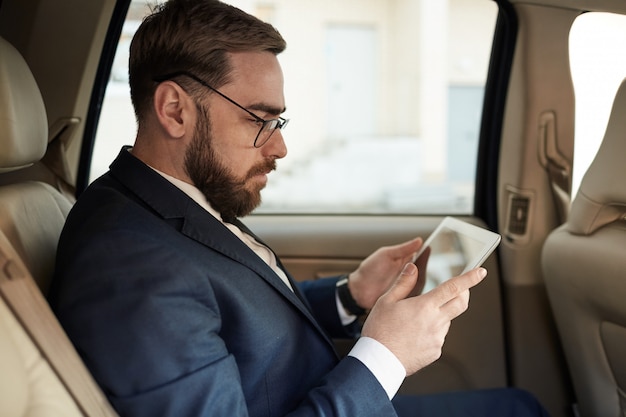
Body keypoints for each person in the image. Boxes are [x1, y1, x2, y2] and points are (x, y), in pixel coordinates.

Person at [49, 1, 549, 416]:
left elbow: (236, 314)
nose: (280, 148)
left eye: (279, 121)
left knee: (521, 405)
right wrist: (384, 357)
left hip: (326, 396)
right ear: (175, 110)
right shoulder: (129, 266)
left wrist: (351, 296)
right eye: (259, 120)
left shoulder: (172, 197)